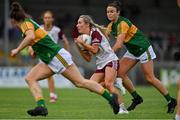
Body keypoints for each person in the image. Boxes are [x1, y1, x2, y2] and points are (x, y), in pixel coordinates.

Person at [10, 2, 120, 116]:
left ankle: (111, 98)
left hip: (57, 56)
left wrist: (17, 49)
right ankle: (41, 106)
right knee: (30, 78)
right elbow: (36, 40)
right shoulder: (28, 24)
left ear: (13, 20)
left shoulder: (25, 24)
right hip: (49, 59)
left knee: (80, 82)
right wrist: (33, 50)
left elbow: (31, 37)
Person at [106, 1, 176, 113]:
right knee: (119, 73)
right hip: (132, 51)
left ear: (118, 13)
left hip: (143, 49)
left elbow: (118, 45)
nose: (109, 14)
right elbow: (105, 35)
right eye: (108, 12)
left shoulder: (122, 24)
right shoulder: (110, 26)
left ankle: (171, 100)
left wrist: (107, 55)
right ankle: (137, 98)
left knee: (150, 78)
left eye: (112, 11)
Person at [75, 15, 128, 114]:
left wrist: (82, 43)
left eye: (80, 23)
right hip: (101, 64)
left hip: (110, 60)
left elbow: (94, 51)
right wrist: (78, 46)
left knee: (108, 84)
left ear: (87, 24)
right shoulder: (86, 37)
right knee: (91, 86)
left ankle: (123, 108)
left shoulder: (94, 32)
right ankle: (116, 80)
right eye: (77, 23)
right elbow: (88, 58)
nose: (77, 25)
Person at [41, 10, 70, 103]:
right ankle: (52, 95)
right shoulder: (39, 29)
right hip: (44, 56)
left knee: (63, 74)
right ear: (43, 19)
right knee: (48, 76)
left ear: (52, 19)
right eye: (46, 17)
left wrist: (67, 53)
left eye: (49, 17)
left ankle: (52, 95)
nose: (47, 19)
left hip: (55, 56)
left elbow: (65, 41)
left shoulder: (57, 30)